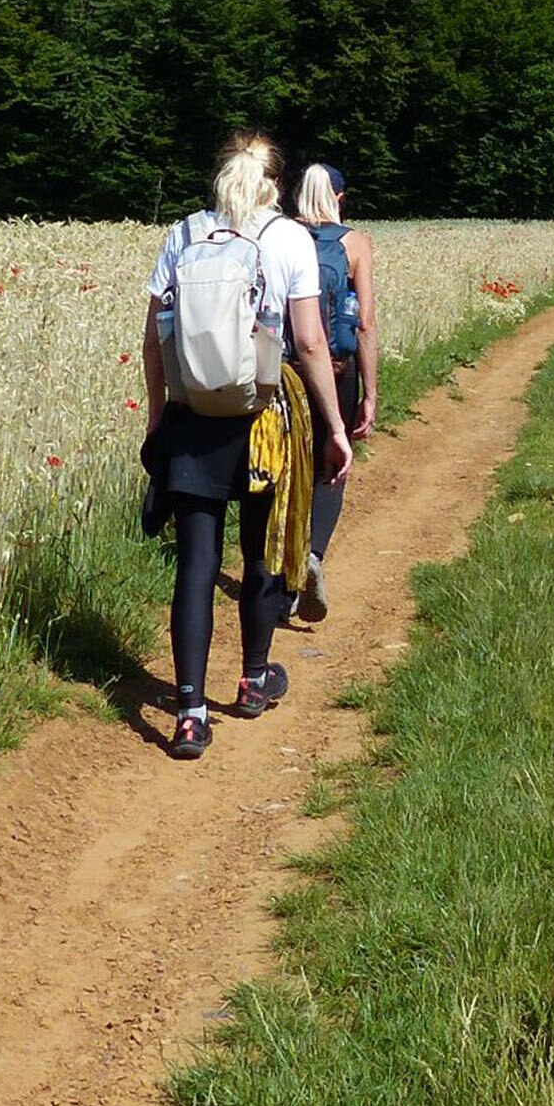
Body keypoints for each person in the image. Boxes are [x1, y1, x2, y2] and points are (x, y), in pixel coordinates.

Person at [142, 132, 353, 761]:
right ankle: (254, 680)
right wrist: (334, 426)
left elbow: (155, 336)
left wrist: (158, 422)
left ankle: (189, 713)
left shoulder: (185, 232)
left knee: (196, 564)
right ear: (276, 184)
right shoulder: (288, 238)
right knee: (260, 551)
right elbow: (311, 343)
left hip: (192, 414)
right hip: (265, 415)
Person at [290, 162, 379, 624]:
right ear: (340, 197)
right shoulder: (355, 243)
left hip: (284, 371)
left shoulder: (279, 236)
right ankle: (314, 557)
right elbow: (364, 323)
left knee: (288, 468)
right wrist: (369, 393)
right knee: (331, 465)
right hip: (336, 370)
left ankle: (278, 569)